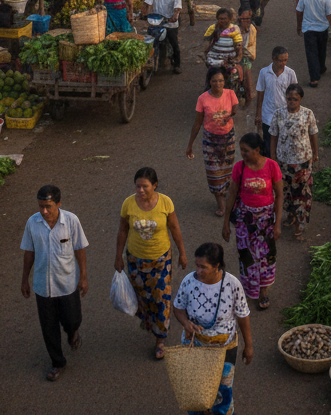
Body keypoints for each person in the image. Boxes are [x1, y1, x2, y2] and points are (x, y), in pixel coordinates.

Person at [114, 168, 188, 360]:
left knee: (161, 298)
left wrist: (182, 253)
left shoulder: (165, 202)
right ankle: (149, 321)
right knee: (142, 296)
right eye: (137, 186)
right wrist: (118, 256)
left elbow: (174, 228)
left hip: (161, 260)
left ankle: (160, 339)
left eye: (145, 186)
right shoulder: (128, 204)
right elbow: (123, 230)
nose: (140, 190)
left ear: (154, 186)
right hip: (135, 260)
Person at [172, 243, 253, 415]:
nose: (198, 271)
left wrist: (249, 346)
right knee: (196, 391)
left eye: (204, 267)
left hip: (225, 349)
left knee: (222, 391)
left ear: (217, 266)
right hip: (195, 345)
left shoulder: (232, 285)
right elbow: (178, 308)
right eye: (197, 265)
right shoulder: (189, 281)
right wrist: (186, 323)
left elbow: (243, 315)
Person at [20, 185, 89, 382]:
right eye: (41, 206)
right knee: (49, 327)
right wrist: (24, 279)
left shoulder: (71, 221)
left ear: (58, 203)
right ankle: (57, 362)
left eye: (48, 206)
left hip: (67, 283)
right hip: (43, 286)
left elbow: (80, 249)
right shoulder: (32, 223)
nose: (44, 211)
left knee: (72, 319)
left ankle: (72, 332)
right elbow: (29, 252)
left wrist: (83, 276)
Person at [222, 133, 283, 308]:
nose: (243, 154)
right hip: (244, 222)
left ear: (257, 150)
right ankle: (250, 290)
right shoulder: (239, 168)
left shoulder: (272, 166)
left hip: (266, 222)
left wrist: (277, 224)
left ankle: (263, 291)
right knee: (246, 257)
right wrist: (226, 222)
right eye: (241, 150)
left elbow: (279, 196)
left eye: (246, 150)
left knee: (265, 257)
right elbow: (232, 194)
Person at [187, 69, 240, 216]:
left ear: (225, 82)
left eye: (221, 81)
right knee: (214, 173)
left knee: (227, 171)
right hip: (210, 140)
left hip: (228, 139)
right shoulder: (203, 99)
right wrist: (190, 145)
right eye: (215, 81)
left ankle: (229, 199)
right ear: (209, 81)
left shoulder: (230, 94)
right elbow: (197, 123)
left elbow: (235, 108)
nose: (218, 84)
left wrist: (229, 115)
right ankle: (221, 204)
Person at [269, 85, 319, 240]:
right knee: (285, 191)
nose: (291, 101)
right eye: (289, 98)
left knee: (301, 194)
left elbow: (313, 134)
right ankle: (290, 215)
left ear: (300, 99)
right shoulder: (278, 114)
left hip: (302, 161)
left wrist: (315, 153)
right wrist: (272, 157)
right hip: (283, 161)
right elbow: (273, 136)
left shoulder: (307, 113)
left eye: (295, 99)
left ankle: (300, 222)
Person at [254, 47, 298, 156]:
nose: (283, 63)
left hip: (285, 114)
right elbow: (260, 93)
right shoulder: (264, 73)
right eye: (281, 60)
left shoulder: (290, 73)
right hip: (268, 114)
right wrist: (258, 114)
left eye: (285, 60)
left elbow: (296, 94)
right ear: (273, 59)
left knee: (284, 143)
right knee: (268, 145)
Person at [296, 0, 331, 87]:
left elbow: (299, 12)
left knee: (311, 53)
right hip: (322, 29)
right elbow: (330, 16)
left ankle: (314, 77)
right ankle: (320, 70)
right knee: (321, 50)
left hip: (308, 29)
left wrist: (299, 25)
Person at [141, 0, 182, 74]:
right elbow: (147, 3)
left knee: (174, 43)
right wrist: (143, 12)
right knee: (148, 42)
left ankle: (177, 65)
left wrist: (175, 15)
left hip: (170, 22)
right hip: (156, 21)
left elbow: (177, 7)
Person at [236, 8, 257, 104]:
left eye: (248, 19)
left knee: (246, 70)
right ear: (239, 18)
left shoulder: (252, 29)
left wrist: (244, 54)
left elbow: (252, 46)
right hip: (232, 55)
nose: (246, 21)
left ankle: (249, 92)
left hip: (245, 56)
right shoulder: (234, 29)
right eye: (244, 19)